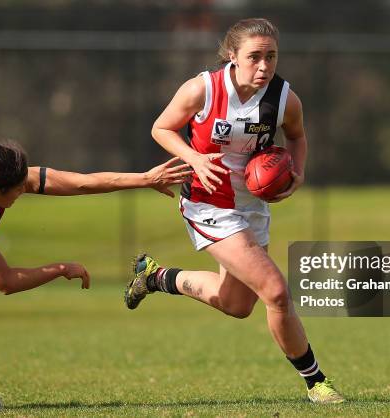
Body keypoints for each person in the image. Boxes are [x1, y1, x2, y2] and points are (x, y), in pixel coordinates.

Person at [124, 18, 344, 403]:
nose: (264, 66)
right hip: (207, 203)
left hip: (252, 207)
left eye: (271, 57)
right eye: (254, 57)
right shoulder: (203, 89)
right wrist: (194, 158)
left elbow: (296, 135)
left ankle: (156, 276)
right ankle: (317, 382)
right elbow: (162, 128)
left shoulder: (284, 98)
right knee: (276, 292)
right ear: (232, 55)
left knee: (236, 304)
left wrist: (298, 170)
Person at [0, 140, 191, 294]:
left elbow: (81, 183)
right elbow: (5, 281)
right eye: (20, 188)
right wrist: (60, 269)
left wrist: (145, 179)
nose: (26, 188)